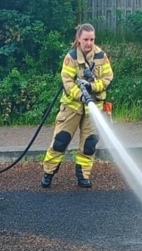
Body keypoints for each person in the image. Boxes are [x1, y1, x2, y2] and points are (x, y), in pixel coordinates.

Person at [41, 23, 113, 189]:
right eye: (86, 39)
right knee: (60, 140)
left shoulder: (101, 56)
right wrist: (81, 95)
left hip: (93, 107)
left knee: (89, 144)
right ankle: (48, 173)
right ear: (79, 39)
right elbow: (67, 81)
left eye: (92, 39)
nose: (89, 43)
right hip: (72, 107)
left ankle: (83, 176)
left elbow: (108, 77)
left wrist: (93, 87)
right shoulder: (71, 57)